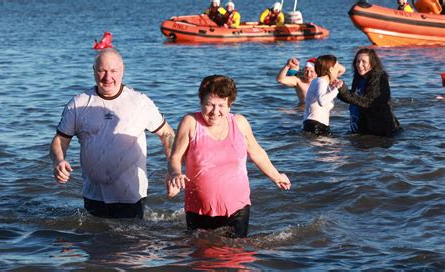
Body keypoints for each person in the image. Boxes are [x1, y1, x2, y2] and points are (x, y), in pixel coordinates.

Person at [50, 48, 175, 219]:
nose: (108, 77)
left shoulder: (140, 102)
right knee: (96, 242)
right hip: (93, 194)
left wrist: (173, 169)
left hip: (131, 196)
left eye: (113, 71)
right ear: (94, 71)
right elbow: (60, 140)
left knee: (131, 243)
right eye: (102, 71)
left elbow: (167, 134)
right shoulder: (78, 104)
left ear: (122, 69)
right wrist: (59, 161)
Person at [167, 75, 291, 238]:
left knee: (236, 257)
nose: (215, 112)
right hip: (198, 209)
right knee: (201, 259)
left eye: (221, 106)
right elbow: (175, 158)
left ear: (230, 105)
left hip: (237, 208)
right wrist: (176, 174)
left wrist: (276, 175)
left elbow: (256, 152)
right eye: (209, 105)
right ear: (201, 102)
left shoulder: (239, 123)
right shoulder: (190, 122)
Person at [337, 48, 401, 137]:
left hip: (380, 129)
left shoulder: (378, 76)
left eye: (364, 62)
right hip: (362, 125)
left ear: (372, 63)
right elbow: (351, 99)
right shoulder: (358, 77)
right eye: (357, 61)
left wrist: (344, 91)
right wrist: (338, 89)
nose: (359, 65)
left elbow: (368, 102)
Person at [303, 55, 345, 136]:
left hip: (316, 125)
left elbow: (343, 70)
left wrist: (333, 88)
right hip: (315, 125)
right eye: (336, 67)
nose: (338, 69)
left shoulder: (321, 81)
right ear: (330, 69)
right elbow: (322, 101)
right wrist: (336, 89)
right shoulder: (321, 81)